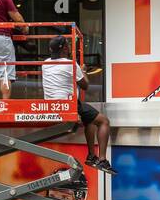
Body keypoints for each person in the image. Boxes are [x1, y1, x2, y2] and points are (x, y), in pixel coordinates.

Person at [43, 34, 114, 174]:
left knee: (90, 120)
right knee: (104, 121)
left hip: (51, 104)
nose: (69, 47)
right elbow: (85, 85)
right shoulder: (70, 64)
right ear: (63, 48)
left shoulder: (45, 63)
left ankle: (91, 156)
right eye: (68, 44)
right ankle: (102, 159)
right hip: (67, 104)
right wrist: (83, 71)